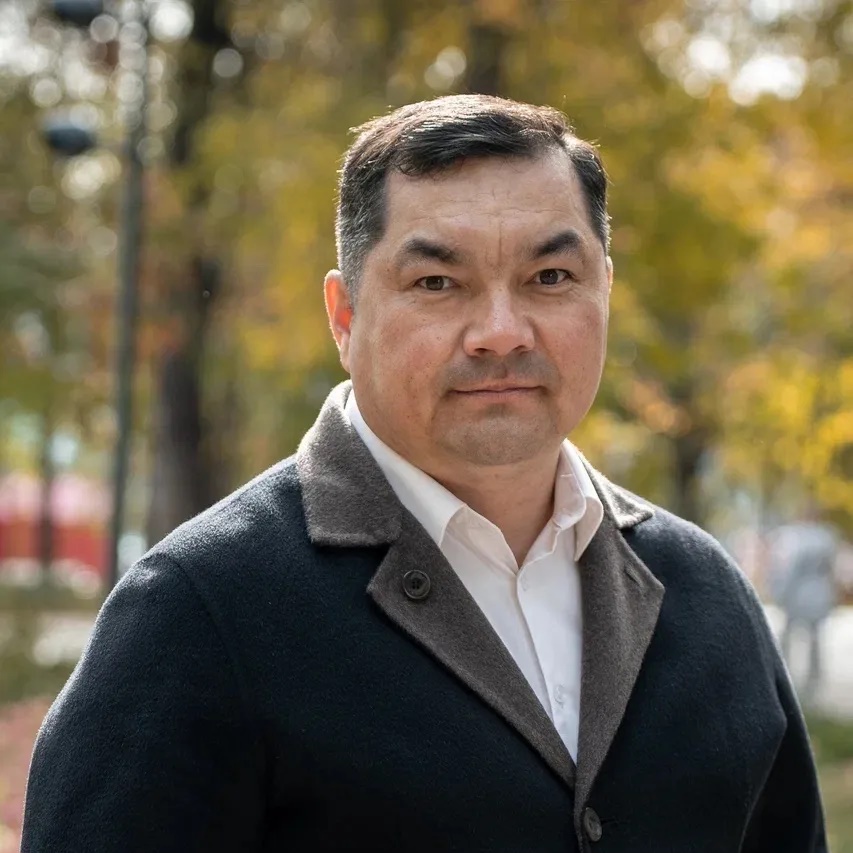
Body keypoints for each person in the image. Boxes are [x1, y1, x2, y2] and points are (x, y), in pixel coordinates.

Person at [22, 95, 826, 852]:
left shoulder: (705, 593)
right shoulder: (199, 611)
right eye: (436, 282)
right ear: (344, 316)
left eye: (550, 277)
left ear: (604, 291)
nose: (501, 332)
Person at [769, 511, 839, 703]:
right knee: (814, 639)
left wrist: (781, 592)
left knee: (788, 635)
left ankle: (784, 674)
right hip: (818, 592)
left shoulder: (795, 537)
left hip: (798, 593)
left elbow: (790, 568)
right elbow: (831, 569)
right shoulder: (826, 537)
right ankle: (813, 680)